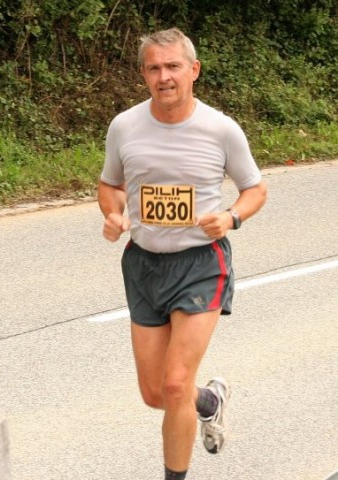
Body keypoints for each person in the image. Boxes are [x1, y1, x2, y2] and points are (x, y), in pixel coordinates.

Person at [98, 27, 267, 479]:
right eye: (154, 68)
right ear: (143, 75)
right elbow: (110, 184)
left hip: (199, 264)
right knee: (156, 393)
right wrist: (114, 214)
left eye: (173, 66)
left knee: (175, 384)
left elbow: (255, 189)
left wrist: (232, 217)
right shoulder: (125, 126)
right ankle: (208, 401)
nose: (164, 76)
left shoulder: (220, 129)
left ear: (193, 70)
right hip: (143, 263)